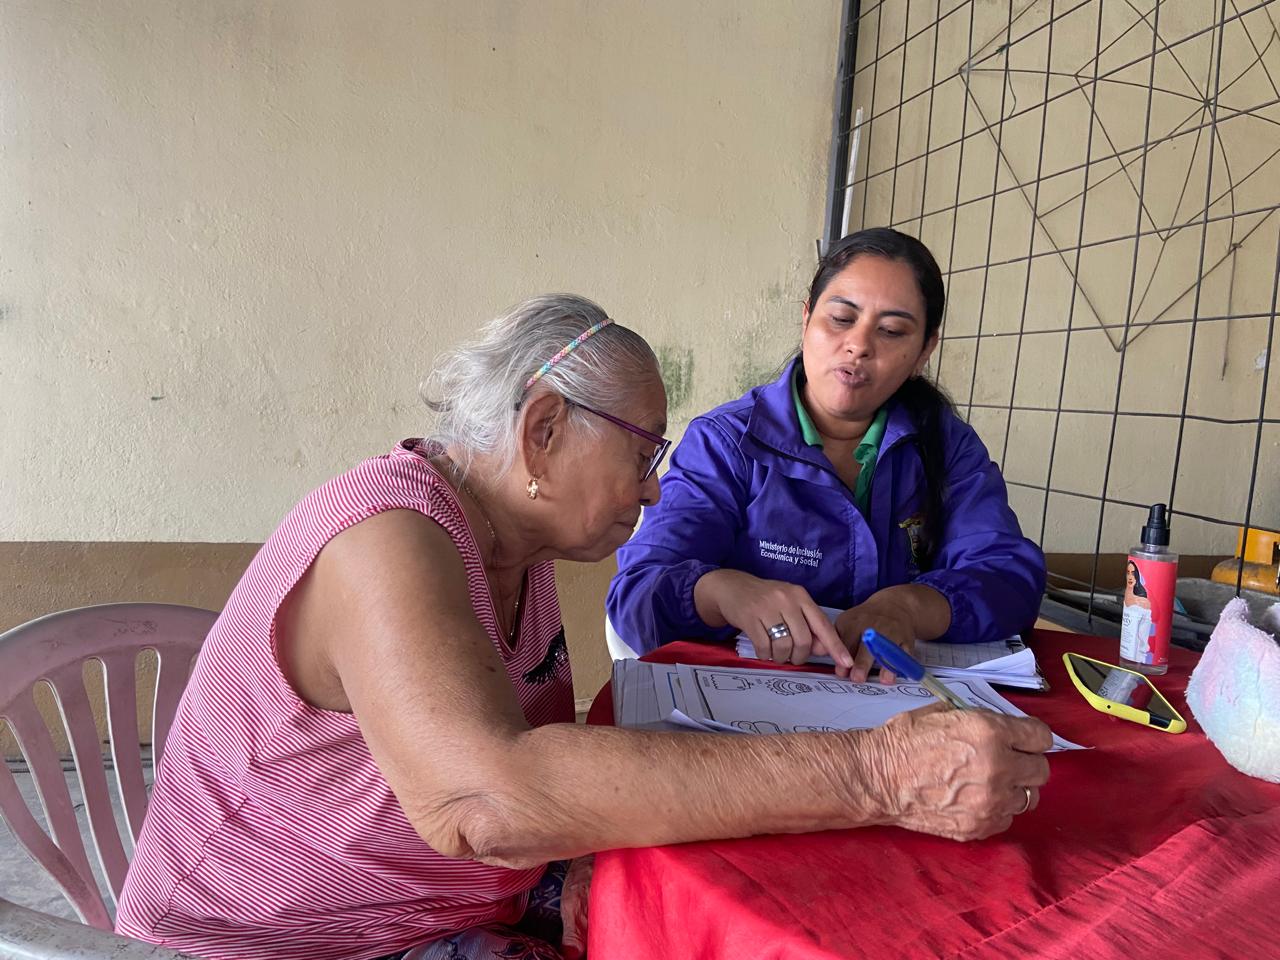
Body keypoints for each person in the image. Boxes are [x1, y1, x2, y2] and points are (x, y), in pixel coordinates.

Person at [116, 294, 1052, 960]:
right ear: (544, 431)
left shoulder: (510, 548)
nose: (654, 491)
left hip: (436, 908)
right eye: (643, 455)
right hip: (278, 942)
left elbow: (527, 777)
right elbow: (487, 803)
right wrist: (875, 772)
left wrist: (571, 856)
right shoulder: (389, 538)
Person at [606, 228, 1047, 681]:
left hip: (900, 698)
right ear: (806, 320)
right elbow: (637, 593)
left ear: (923, 352)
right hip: (753, 699)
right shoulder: (726, 443)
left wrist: (909, 606)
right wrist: (721, 592)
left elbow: (1009, 576)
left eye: (892, 331)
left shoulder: (947, 446)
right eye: (840, 318)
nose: (859, 345)